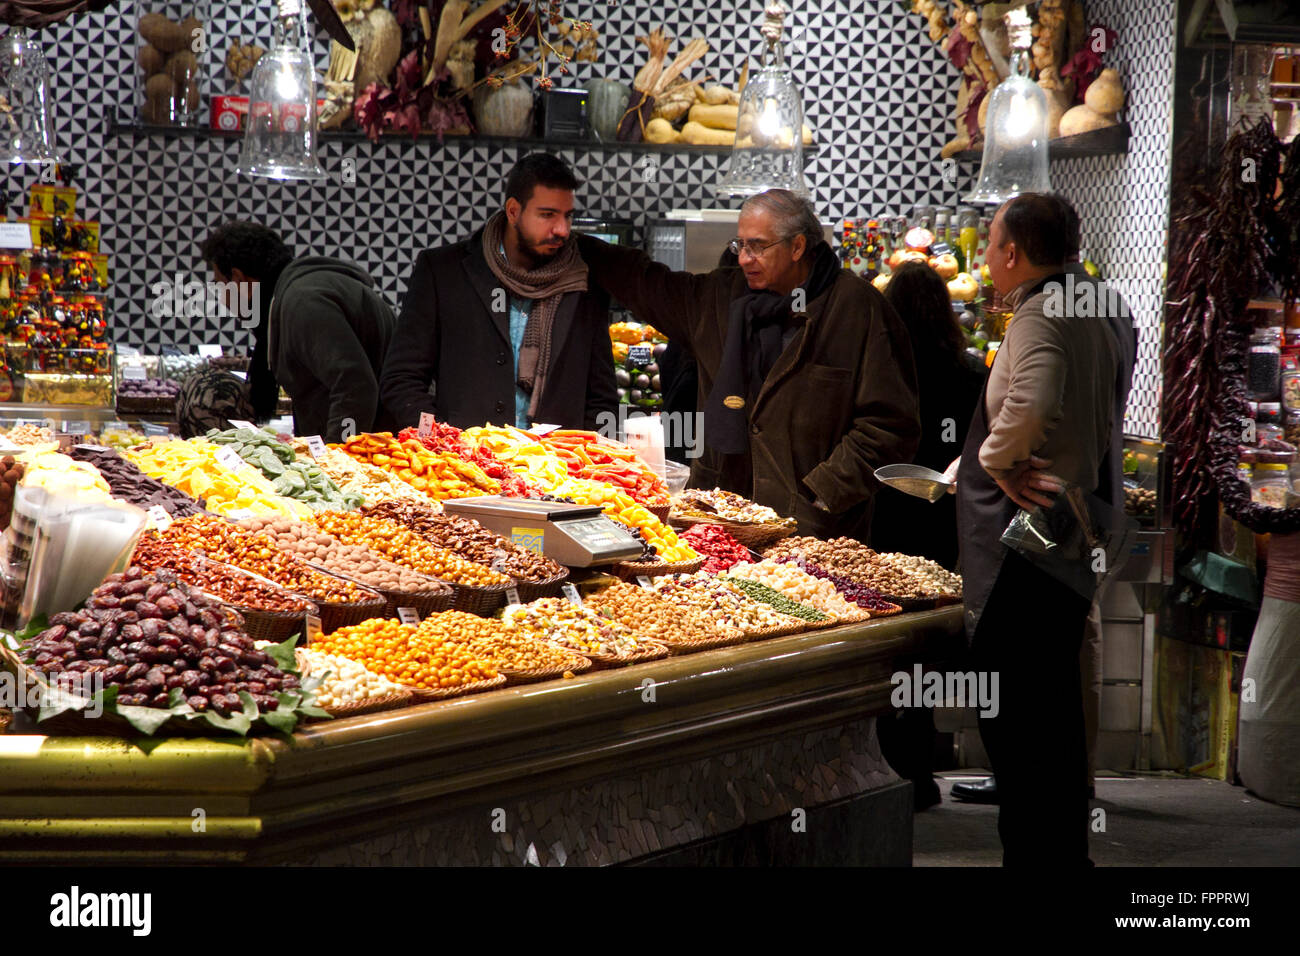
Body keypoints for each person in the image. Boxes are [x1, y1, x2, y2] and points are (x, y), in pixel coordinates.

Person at [949, 192, 1135, 865]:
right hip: (1083, 530)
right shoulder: (1104, 303)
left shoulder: (1041, 313)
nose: (988, 256)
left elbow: (1035, 399)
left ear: (1012, 252)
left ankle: (1036, 859)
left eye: (991, 243)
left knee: (1018, 723)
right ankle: (1064, 858)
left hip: (1033, 541)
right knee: (1053, 717)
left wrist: (996, 462)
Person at [576, 189, 920, 541]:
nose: (743, 258)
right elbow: (644, 281)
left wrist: (825, 490)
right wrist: (572, 241)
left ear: (797, 247)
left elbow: (890, 425)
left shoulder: (858, 309)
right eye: (740, 245)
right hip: (717, 523)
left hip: (813, 534)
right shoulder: (720, 299)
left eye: (757, 246)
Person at [380, 153, 618, 432]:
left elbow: (602, 399)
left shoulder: (584, 283)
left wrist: (583, 461)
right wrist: (437, 441)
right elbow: (402, 379)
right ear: (513, 211)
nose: (562, 230)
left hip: (556, 469)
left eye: (567, 216)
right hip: (463, 464)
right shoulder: (443, 271)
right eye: (547, 215)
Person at [870, 259, 986, 810]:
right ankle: (921, 765)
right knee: (926, 642)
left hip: (886, 513)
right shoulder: (970, 372)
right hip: (945, 518)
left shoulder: (883, 369)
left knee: (888, 643)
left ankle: (892, 767)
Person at [199, 222, 397, 442]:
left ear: (237, 278)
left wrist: (338, 456)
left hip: (385, 453)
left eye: (218, 284)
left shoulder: (303, 303)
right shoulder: (294, 295)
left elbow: (355, 386)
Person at [872, 260, 986, 569]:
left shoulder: (879, 369)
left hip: (886, 496)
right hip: (943, 500)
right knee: (937, 585)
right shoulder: (971, 372)